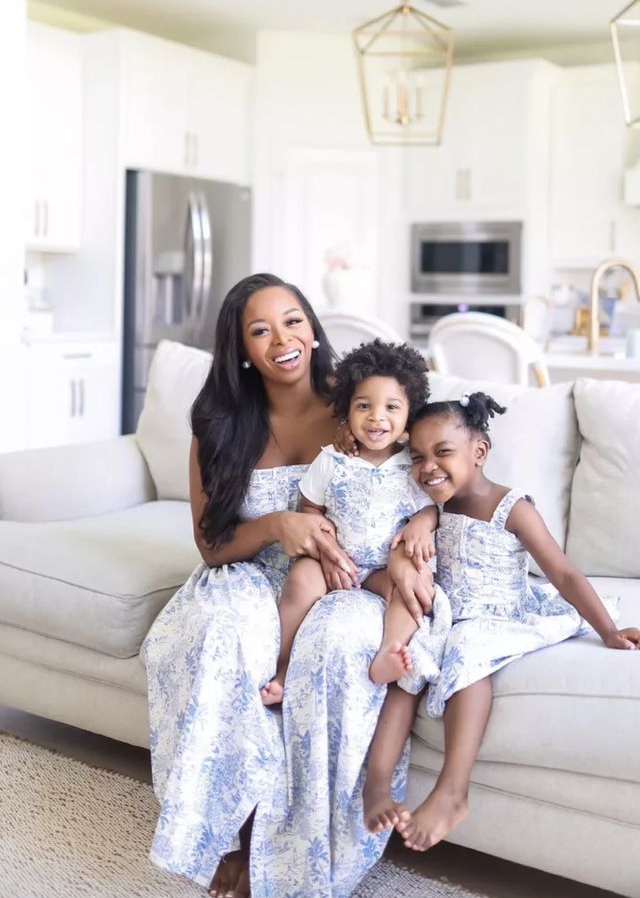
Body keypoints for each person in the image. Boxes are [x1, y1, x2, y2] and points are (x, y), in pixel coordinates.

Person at [144, 273, 442, 898]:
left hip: (347, 579)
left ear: (312, 326)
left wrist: (421, 529)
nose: (283, 339)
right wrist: (280, 525)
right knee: (221, 634)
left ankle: (295, 856)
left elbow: (432, 474)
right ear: (242, 350)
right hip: (250, 574)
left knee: (337, 651)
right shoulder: (220, 423)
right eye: (261, 330)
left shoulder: (362, 400)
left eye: (293, 320)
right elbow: (211, 544)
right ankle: (232, 833)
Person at [362, 391, 640, 852]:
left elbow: (563, 572)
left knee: (468, 652)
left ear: (479, 453)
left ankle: (453, 789)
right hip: (450, 614)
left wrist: (609, 631)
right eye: (417, 457)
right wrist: (421, 520)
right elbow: (418, 529)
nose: (428, 467)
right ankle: (377, 784)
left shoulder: (511, 507)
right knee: (407, 670)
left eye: (443, 453)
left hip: (499, 616)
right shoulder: (435, 508)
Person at [261, 339, 445, 706]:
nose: (377, 417)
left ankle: (388, 655)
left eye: (392, 407)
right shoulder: (332, 459)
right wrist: (322, 539)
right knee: (300, 583)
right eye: (364, 406)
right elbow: (309, 504)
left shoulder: (412, 464)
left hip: (382, 567)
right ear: (346, 411)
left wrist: (422, 524)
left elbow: (431, 506)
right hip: (335, 560)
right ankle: (279, 669)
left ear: (410, 417)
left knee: (409, 587)